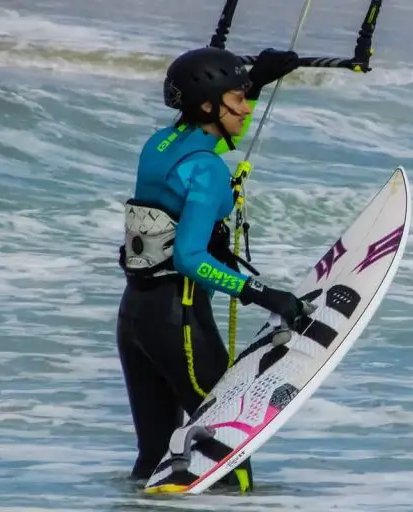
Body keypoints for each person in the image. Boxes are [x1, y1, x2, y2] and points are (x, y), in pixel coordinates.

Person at [116, 45, 311, 491]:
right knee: (228, 457)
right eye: (237, 99)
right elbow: (189, 258)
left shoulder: (162, 144)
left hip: (136, 317)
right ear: (209, 105)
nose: (245, 109)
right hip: (178, 318)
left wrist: (254, 82)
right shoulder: (206, 171)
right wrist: (262, 293)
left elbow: (217, 133)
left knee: (154, 459)